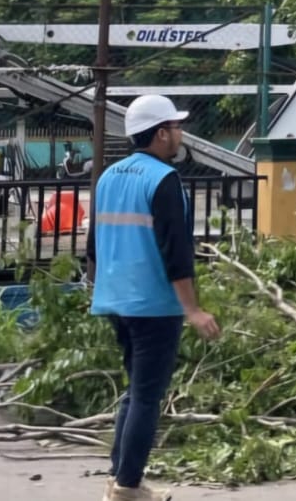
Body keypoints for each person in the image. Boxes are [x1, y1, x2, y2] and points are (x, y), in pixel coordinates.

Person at [87, 94, 221, 501]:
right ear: (161, 133)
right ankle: (127, 487)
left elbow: (93, 246)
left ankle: (120, 476)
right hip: (153, 305)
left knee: (135, 389)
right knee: (147, 395)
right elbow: (175, 251)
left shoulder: (109, 176)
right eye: (176, 127)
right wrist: (193, 309)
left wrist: (98, 288)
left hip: (114, 301)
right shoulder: (163, 180)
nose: (181, 134)